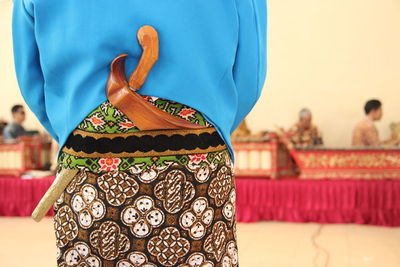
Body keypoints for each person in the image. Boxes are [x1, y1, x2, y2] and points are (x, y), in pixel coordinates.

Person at [13, 1, 266, 265]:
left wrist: (80, 131)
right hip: (201, 162)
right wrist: (209, 128)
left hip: (87, 164)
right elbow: (250, 76)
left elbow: (30, 78)